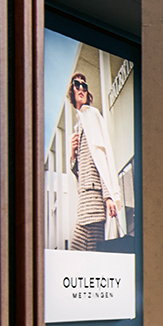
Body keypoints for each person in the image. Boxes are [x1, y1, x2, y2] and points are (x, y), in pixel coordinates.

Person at [68, 72, 122, 251]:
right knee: (85, 253)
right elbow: (79, 171)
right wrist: (73, 154)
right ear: (72, 91)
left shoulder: (92, 115)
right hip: (83, 201)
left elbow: (102, 158)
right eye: (77, 85)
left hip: (94, 201)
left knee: (85, 253)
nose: (81, 88)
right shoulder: (79, 126)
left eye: (84, 86)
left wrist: (109, 197)